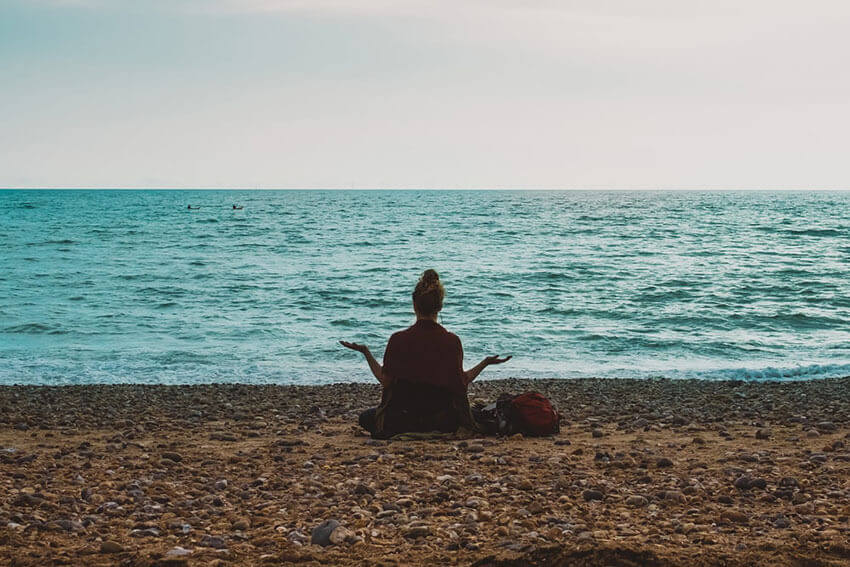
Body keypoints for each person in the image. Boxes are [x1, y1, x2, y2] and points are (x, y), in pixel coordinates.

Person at [340, 269, 511, 438]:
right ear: (440, 306)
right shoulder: (452, 341)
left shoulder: (398, 340)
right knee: (477, 413)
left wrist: (366, 353)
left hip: (402, 419)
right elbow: (461, 383)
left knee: (366, 418)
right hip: (441, 420)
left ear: (414, 304)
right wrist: (484, 363)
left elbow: (386, 382)